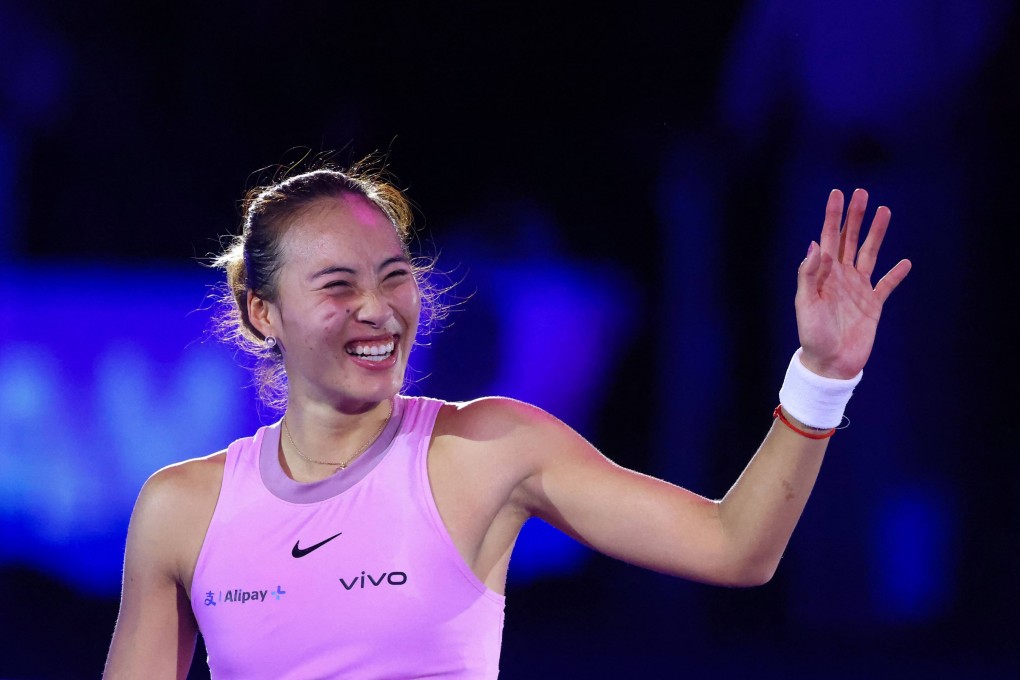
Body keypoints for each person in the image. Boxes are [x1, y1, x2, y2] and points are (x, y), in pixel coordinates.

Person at [102, 161, 911, 679]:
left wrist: (821, 377)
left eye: (394, 276)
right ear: (262, 312)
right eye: (339, 286)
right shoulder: (182, 509)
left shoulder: (486, 449)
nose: (378, 309)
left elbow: (736, 547)